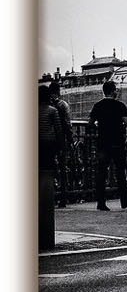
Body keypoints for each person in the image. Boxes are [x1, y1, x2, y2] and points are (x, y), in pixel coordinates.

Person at [88, 79, 127, 211]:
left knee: (101, 173)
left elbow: (90, 123)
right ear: (113, 91)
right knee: (120, 172)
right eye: (116, 89)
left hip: (103, 143)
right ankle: (124, 200)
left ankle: (101, 203)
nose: (117, 91)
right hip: (118, 142)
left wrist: (98, 125)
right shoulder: (120, 106)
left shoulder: (98, 106)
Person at [38, 82, 66, 254]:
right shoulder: (53, 110)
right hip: (49, 145)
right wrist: (61, 147)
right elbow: (58, 130)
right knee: (49, 173)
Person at [49, 72, 74, 207]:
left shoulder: (44, 105)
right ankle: (63, 198)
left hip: (46, 140)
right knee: (63, 168)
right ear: (58, 92)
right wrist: (70, 140)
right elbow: (67, 123)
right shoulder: (63, 105)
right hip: (61, 140)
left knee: (48, 169)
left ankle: (49, 196)